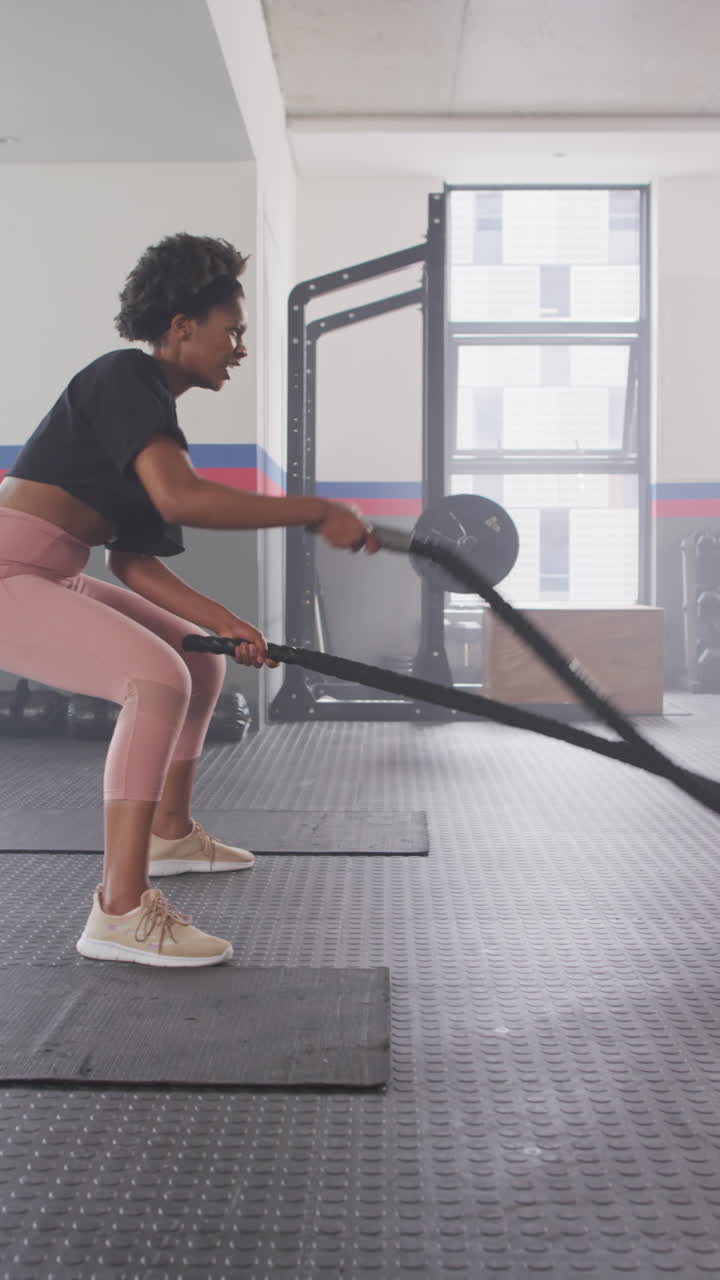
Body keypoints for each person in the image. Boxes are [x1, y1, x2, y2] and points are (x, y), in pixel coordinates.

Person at [0, 232, 378, 969]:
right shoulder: (125, 379)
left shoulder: (154, 426)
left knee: (197, 663)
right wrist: (314, 511)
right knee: (156, 679)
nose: (238, 348)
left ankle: (169, 831)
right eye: (230, 331)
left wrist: (224, 624)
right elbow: (184, 498)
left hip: (51, 571)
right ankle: (119, 909)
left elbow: (135, 563)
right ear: (181, 329)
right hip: (8, 575)